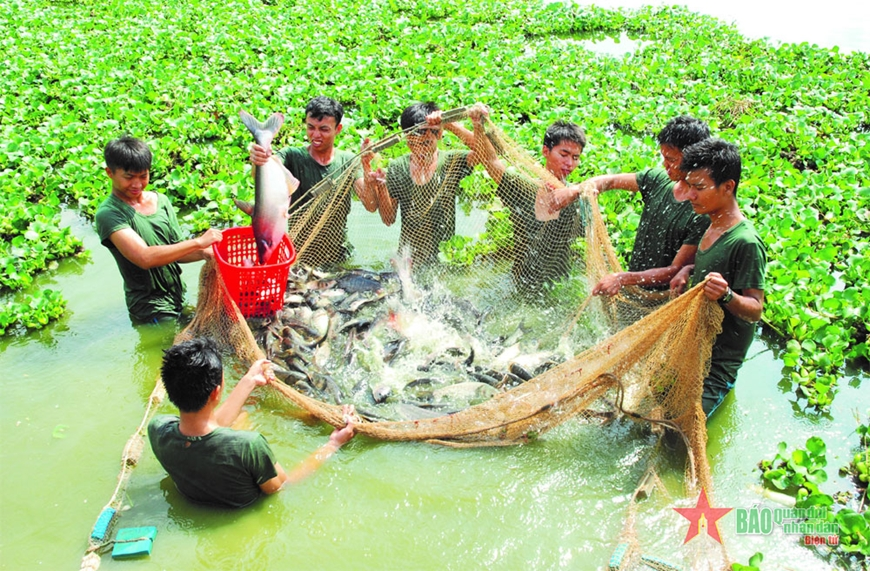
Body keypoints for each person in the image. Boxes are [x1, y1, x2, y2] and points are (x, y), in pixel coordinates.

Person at [148, 337, 356, 509]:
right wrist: (333, 444)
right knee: (243, 418)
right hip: (242, 510)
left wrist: (249, 381)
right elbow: (284, 485)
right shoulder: (248, 445)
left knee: (241, 416)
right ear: (216, 392)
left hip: (195, 501)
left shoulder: (157, 429)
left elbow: (202, 426)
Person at [669, 139, 766, 418]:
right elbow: (714, 265)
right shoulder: (712, 224)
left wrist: (726, 295)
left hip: (717, 367)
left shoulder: (746, 242)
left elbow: (755, 309)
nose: (690, 195)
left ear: (727, 187)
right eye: (690, 186)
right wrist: (688, 270)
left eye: (699, 188)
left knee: (682, 427)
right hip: (694, 351)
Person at [95, 136, 223, 324]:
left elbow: (177, 250)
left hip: (179, 296)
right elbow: (144, 258)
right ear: (110, 173)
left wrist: (206, 253)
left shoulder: (160, 201)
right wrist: (198, 242)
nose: (137, 184)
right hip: (150, 308)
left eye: (143, 176)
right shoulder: (109, 214)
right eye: (129, 177)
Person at [586, 115, 711, 296]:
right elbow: (610, 181)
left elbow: (675, 270)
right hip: (632, 290)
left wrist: (622, 278)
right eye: (664, 158)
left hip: (663, 299)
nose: (665, 165)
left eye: (672, 160)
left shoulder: (701, 212)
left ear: (694, 159)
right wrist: (581, 190)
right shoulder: (658, 181)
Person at [469, 105, 588, 292]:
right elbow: (490, 160)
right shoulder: (523, 188)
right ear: (546, 151)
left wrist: (578, 191)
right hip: (520, 283)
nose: (569, 163)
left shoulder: (577, 198)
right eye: (564, 155)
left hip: (559, 286)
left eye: (575, 157)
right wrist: (477, 124)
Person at [355, 101, 482, 265]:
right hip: (408, 260)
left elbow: (484, 152)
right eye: (413, 143)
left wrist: (449, 124)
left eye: (426, 142)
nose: (420, 150)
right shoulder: (398, 167)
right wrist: (381, 186)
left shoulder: (452, 162)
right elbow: (388, 219)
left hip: (444, 259)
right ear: (407, 139)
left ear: (439, 134)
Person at [249, 96, 356, 264]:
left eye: (324, 129)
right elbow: (263, 172)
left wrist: (370, 177)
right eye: (310, 127)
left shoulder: (349, 161)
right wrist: (258, 160)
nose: (316, 135)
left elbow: (369, 202)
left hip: (340, 255)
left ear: (338, 129)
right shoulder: (292, 155)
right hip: (301, 256)